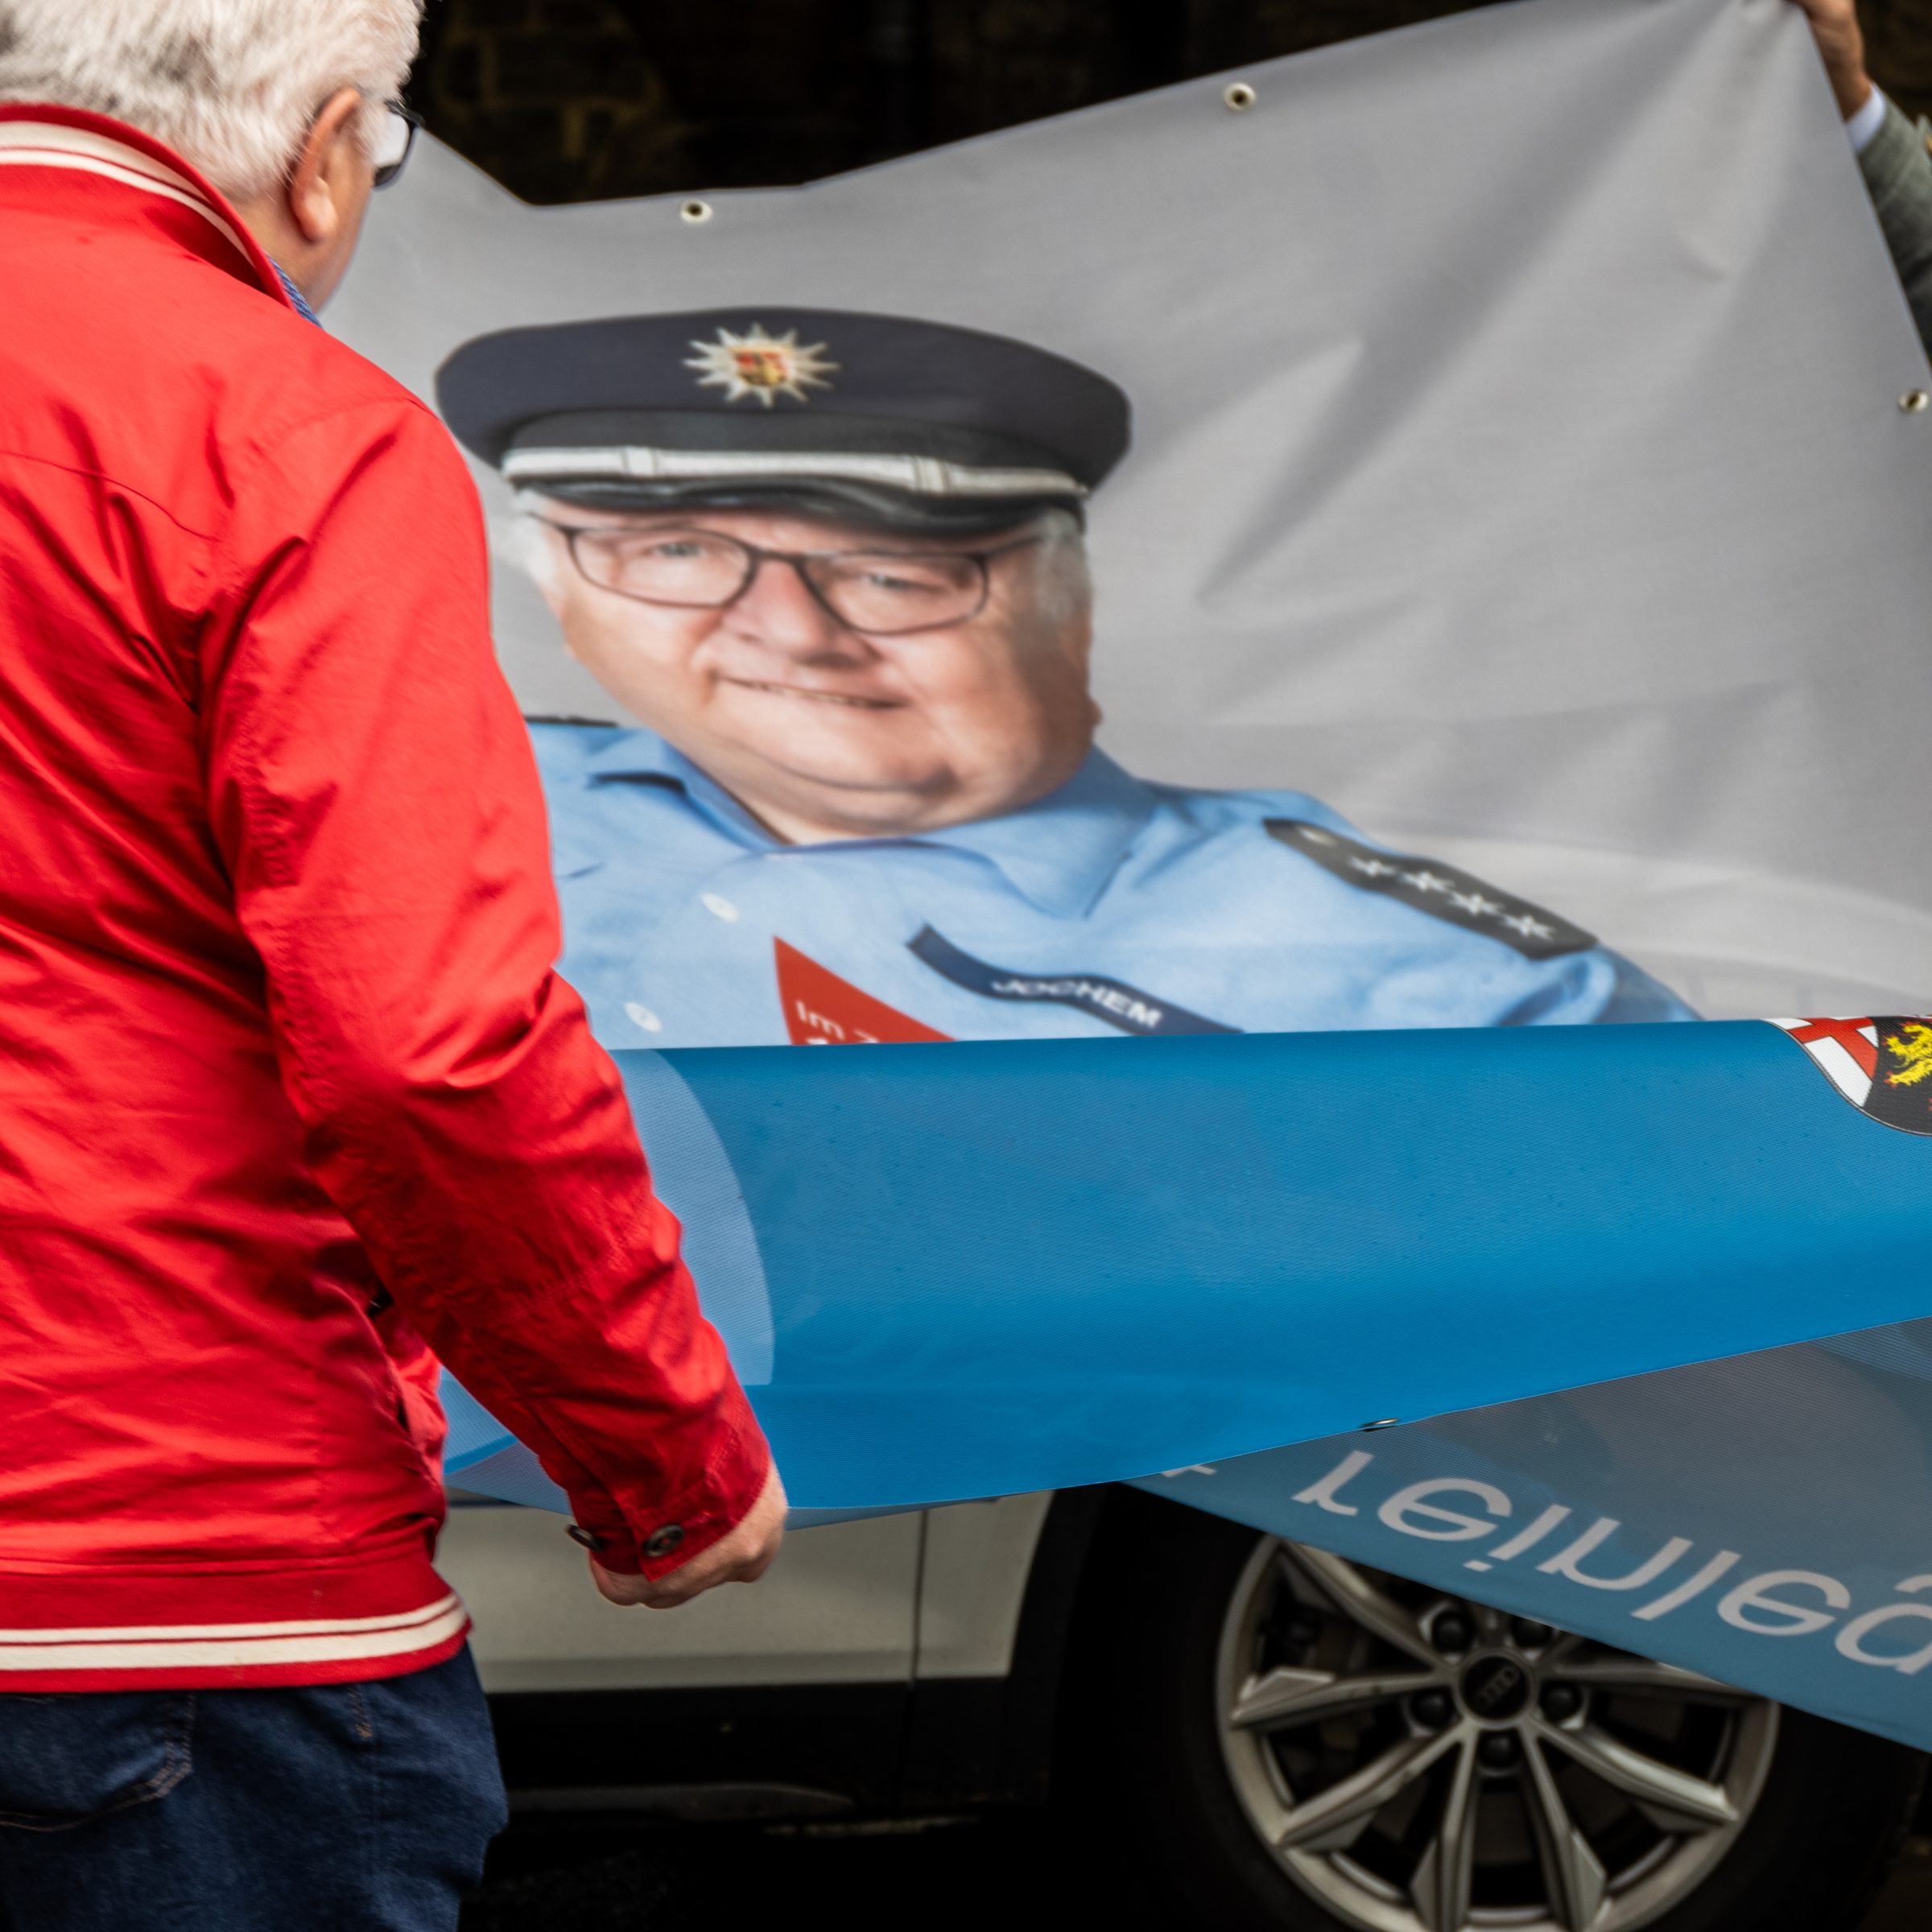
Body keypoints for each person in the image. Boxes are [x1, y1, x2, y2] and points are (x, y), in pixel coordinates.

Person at [0, 3, 782, 1927]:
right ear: (332, 146)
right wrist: (661, 1455)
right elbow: (428, 1041)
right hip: (173, 1584)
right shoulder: (282, 428)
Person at [440, 308, 1693, 1049]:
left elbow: (1806, 1273)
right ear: (556, 587)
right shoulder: (409, 794)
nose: (790, 631)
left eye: (890, 571)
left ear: (1066, 601)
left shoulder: (1416, 983)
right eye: (676, 553)